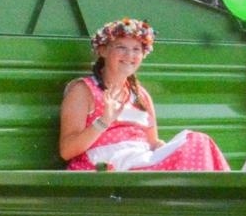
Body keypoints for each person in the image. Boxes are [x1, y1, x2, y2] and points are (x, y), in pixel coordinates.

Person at [60, 17, 230, 171]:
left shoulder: (140, 95)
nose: (130, 55)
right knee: (197, 142)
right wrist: (104, 122)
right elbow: (67, 151)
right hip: (107, 169)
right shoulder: (84, 90)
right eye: (121, 47)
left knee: (199, 141)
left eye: (136, 49)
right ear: (103, 50)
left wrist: (168, 149)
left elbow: (153, 142)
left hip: (142, 162)